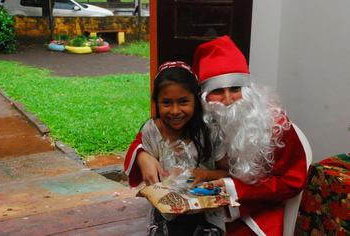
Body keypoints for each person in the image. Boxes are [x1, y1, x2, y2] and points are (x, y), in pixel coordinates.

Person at [125, 36, 309, 235]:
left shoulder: (273, 125)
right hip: (198, 207)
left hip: (253, 211)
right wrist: (143, 155)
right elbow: (152, 134)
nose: (228, 100)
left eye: (236, 89)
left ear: (248, 91)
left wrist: (232, 188)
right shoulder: (196, 117)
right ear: (201, 98)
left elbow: (292, 181)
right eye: (218, 90)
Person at [130, 61, 227, 236]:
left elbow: (228, 174)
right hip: (165, 218)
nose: (175, 111)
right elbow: (151, 182)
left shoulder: (211, 131)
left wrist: (204, 175)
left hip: (205, 217)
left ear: (196, 100)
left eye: (183, 102)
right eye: (166, 102)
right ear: (156, 102)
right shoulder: (152, 131)